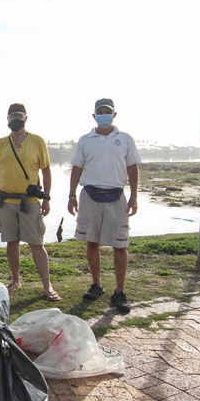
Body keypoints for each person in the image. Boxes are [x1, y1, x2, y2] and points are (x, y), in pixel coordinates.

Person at [68, 97, 141, 314]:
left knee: (120, 245)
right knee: (92, 242)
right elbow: (76, 168)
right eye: (100, 112)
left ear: (114, 114)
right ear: (94, 115)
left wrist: (134, 196)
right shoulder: (85, 140)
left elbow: (133, 168)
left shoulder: (125, 139)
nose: (104, 115)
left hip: (116, 196)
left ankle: (119, 291)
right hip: (90, 195)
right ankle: (96, 284)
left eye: (107, 112)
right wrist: (71, 195)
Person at [0, 103, 59, 300]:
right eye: (12, 116)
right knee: (12, 242)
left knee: (36, 243)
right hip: (4, 202)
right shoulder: (0, 144)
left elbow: (46, 171)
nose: (16, 119)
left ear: (26, 117)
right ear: (7, 119)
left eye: (19, 115)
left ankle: (47, 285)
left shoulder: (37, 141)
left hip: (31, 201)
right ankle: (15, 279)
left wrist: (47, 199)